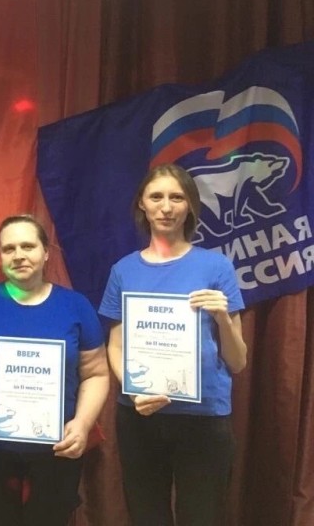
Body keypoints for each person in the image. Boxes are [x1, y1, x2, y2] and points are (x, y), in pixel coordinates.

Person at [99, 163, 248, 526]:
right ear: (142, 204)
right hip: (140, 415)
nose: (166, 207)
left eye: (176, 197)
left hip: (204, 418)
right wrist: (133, 389)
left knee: (202, 517)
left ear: (190, 205)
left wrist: (222, 318)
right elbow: (115, 346)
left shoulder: (216, 267)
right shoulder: (123, 270)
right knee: (146, 516)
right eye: (156, 197)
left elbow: (238, 361)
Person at [0, 215, 109, 526]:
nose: (18, 255)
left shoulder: (76, 306)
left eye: (28, 246)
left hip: (57, 447)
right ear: (0, 256)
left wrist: (83, 424)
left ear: (46, 253)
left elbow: (96, 374)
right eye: (9, 249)